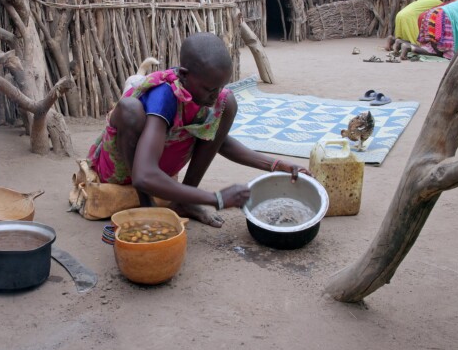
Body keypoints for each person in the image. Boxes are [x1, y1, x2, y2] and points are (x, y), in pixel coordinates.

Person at [87, 33, 310, 227]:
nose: (215, 94)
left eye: (220, 86)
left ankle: (185, 201)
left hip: (160, 167)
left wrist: (276, 165)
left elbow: (218, 142)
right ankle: (147, 203)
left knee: (227, 103)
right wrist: (217, 199)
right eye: (210, 88)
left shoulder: (208, 98)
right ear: (183, 75)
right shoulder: (164, 96)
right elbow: (144, 175)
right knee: (129, 109)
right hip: (127, 169)